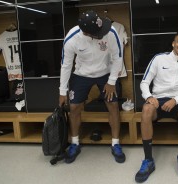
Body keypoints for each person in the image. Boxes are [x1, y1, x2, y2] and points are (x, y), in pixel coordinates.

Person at [59, 10, 125, 164]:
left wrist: (112, 81)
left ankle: (116, 143)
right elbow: (66, 65)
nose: (102, 34)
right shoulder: (72, 38)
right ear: (86, 32)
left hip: (106, 73)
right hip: (82, 74)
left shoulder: (110, 31)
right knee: (74, 108)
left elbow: (117, 57)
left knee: (113, 105)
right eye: (97, 33)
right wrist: (62, 91)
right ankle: (75, 143)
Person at [135, 31, 178, 183]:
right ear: (173, 43)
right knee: (147, 109)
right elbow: (144, 82)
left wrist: (175, 100)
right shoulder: (159, 59)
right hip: (158, 100)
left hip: (177, 102)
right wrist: (149, 97)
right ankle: (148, 160)